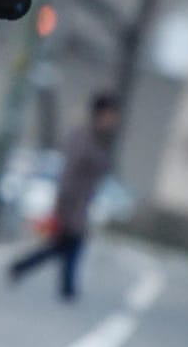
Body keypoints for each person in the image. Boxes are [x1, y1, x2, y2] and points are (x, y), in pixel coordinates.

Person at [10, 94, 121, 301]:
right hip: (72, 204)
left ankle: (30, 272)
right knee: (69, 244)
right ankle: (66, 289)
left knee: (62, 246)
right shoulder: (83, 137)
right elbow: (70, 174)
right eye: (111, 115)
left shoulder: (100, 139)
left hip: (81, 205)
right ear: (100, 113)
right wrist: (62, 208)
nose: (113, 120)